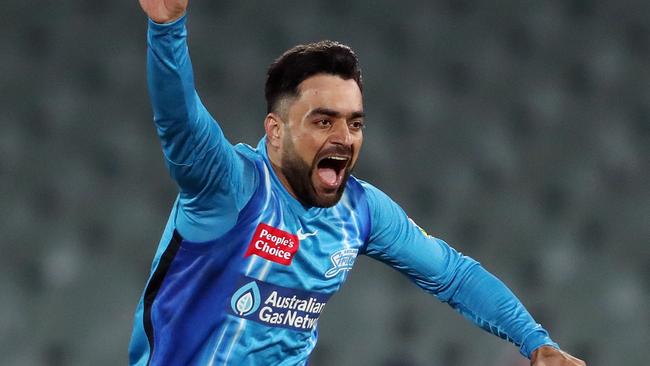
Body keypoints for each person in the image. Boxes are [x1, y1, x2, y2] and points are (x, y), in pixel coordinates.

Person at [129, 1, 587, 365]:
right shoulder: (230, 188)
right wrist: (168, 31)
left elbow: (453, 274)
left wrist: (535, 342)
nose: (343, 138)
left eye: (354, 123)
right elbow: (180, 122)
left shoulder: (360, 211)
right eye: (323, 121)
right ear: (275, 131)